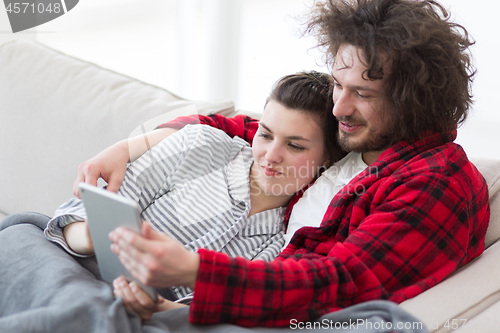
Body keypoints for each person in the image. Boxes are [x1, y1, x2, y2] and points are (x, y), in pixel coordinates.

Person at [79, 0, 490, 328]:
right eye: (337, 85)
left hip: (277, 317)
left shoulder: (436, 182)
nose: (339, 106)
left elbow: (339, 284)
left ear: (412, 100)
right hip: (229, 304)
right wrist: (133, 145)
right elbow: (249, 128)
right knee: (26, 234)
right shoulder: (357, 138)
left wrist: (195, 272)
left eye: (363, 94)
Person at [44, 71, 343, 318]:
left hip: (141, 314)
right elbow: (74, 215)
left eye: (295, 146)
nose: (271, 155)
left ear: (327, 160)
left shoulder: (289, 239)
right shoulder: (202, 144)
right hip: (75, 262)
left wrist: (156, 306)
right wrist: (95, 236)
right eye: (265, 135)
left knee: (95, 315)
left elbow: (218, 312)